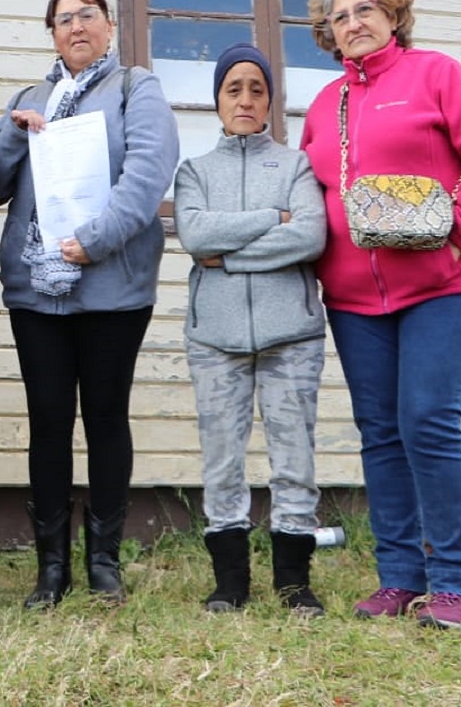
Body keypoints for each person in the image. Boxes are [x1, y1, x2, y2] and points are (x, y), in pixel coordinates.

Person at [299, 0, 461, 630]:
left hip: (445, 286)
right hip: (354, 301)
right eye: (340, 17)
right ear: (330, 34)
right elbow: (309, 195)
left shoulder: (436, 76)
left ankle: (454, 582)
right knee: (382, 434)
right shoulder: (324, 105)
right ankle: (399, 577)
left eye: (364, 9)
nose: (353, 23)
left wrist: (460, 235)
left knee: (427, 420)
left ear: (392, 15)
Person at [0, 0, 178, 607]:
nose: (77, 25)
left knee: (104, 419)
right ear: (51, 34)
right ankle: (51, 569)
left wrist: (93, 241)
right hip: (36, 293)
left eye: (88, 14)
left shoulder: (136, 88)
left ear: (109, 26)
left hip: (113, 290)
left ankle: (103, 562)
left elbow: (146, 176)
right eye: (64, 18)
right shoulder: (28, 97)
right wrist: (13, 132)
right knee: (47, 423)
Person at [173, 43, 328, 617]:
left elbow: (309, 236)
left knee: (294, 458)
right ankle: (230, 583)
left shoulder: (296, 167)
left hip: (292, 335)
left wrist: (229, 257)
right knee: (221, 459)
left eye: (256, 90)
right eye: (233, 89)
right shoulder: (194, 172)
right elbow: (195, 236)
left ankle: (293, 582)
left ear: (269, 102)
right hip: (214, 337)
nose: (244, 99)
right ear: (217, 100)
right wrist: (271, 219)